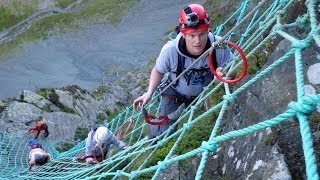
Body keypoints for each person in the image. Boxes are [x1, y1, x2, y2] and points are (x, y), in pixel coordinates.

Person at [133, 4, 233, 139]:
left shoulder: (219, 46)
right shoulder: (171, 51)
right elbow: (158, 70)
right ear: (183, 34)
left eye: (202, 34)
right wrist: (149, 92)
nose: (197, 41)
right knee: (164, 135)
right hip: (175, 94)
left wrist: (224, 72)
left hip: (204, 94)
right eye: (192, 35)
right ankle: (155, 146)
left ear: (208, 30)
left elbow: (232, 67)